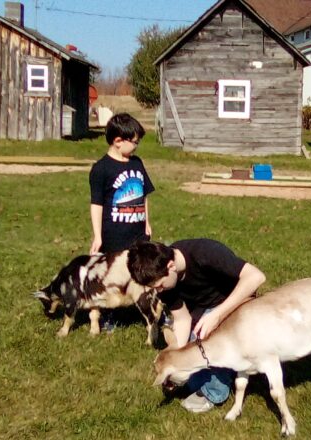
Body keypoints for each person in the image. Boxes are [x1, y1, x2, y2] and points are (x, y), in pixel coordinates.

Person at [127, 239, 266, 413]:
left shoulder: (204, 253)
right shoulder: (166, 280)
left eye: (160, 285)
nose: (159, 291)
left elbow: (256, 277)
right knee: (192, 381)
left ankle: (215, 392)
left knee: (208, 339)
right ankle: (229, 369)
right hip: (205, 312)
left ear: (171, 266)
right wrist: (175, 358)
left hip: (238, 302)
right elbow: (182, 319)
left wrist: (217, 315)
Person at [89, 113, 154, 330]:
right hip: (114, 234)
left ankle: (150, 311)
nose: (136, 146)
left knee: (144, 271)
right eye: (134, 142)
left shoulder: (136, 163)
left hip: (137, 232)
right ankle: (110, 315)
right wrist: (98, 235)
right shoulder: (101, 169)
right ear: (118, 141)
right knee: (113, 276)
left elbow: (144, 195)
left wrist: (147, 222)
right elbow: (97, 204)